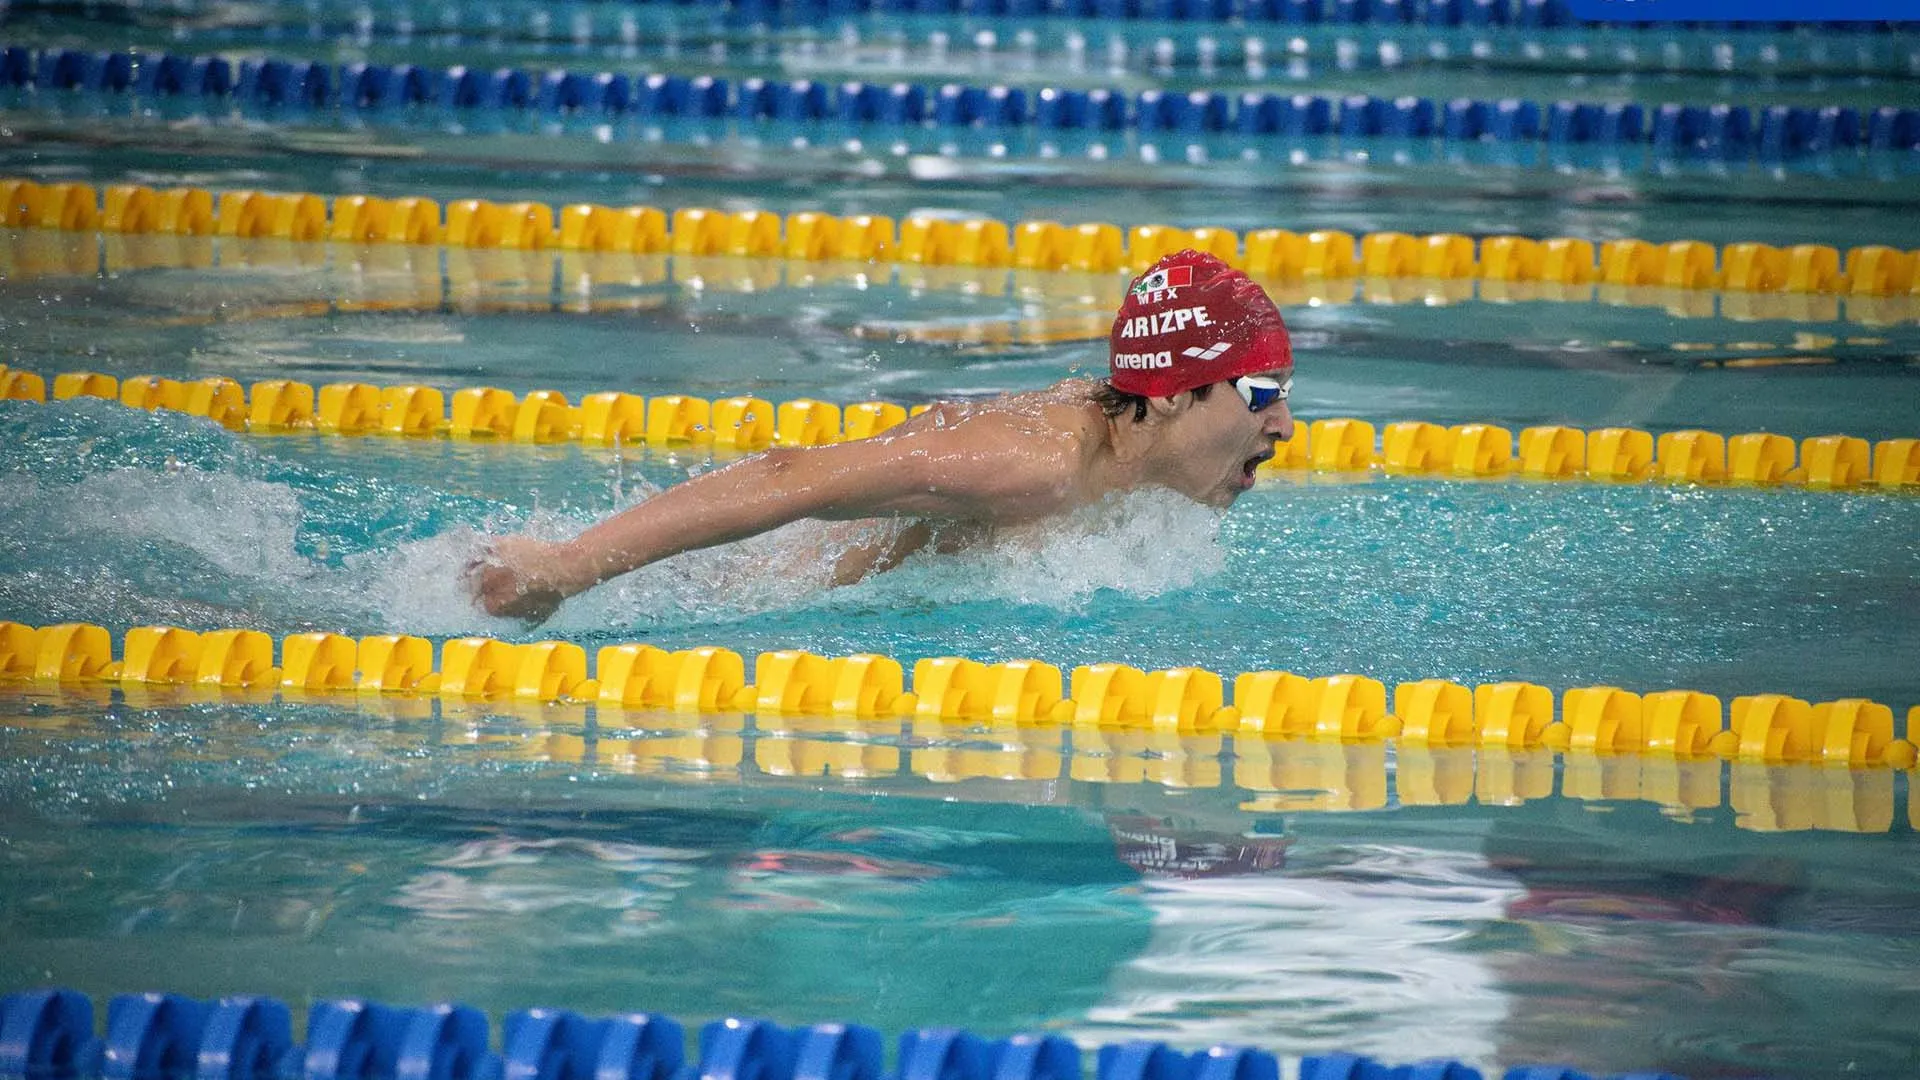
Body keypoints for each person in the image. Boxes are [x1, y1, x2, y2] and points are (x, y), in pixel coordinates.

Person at [470, 248, 1296, 622]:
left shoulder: (1135, 451)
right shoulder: (1031, 463)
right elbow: (791, 474)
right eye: (1262, 392)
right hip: (757, 600)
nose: (1285, 425)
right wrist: (569, 567)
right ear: (1173, 394)